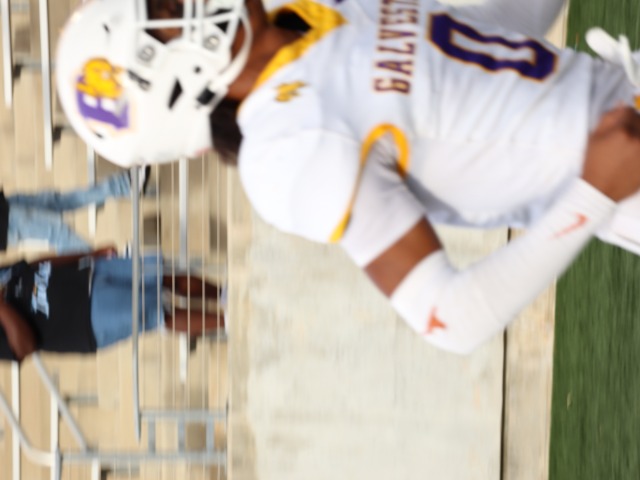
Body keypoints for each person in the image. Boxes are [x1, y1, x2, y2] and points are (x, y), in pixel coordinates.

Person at [54, 0, 640, 355]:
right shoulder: (288, 148)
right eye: (164, 12)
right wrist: (594, 192)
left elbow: (494, 31)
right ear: (168, 83)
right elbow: (449, 317)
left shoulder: (303, 14)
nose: (184, 3)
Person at [0, 248, 224, 362]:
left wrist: (90, 254)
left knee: (162, 276)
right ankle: (229, 320)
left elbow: (33, 265)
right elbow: (25, 346)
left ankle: (225, 294)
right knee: (160, 314)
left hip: (88, 272)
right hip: (86, 317)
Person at [0, 168, 150, 253]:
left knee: (57, 201)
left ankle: (125, 185)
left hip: (4, 206)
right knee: (59, 232)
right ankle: (114, 266)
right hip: (5, 225)